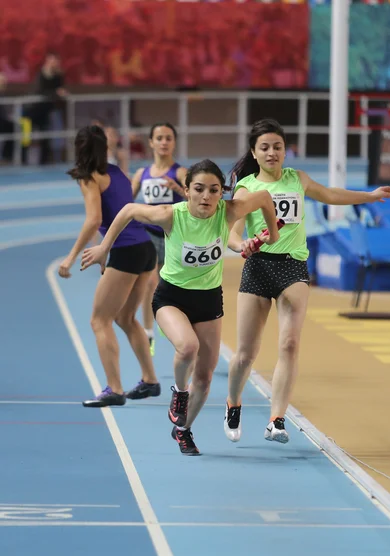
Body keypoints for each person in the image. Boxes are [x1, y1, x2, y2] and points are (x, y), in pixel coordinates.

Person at [80, 159, 279, 455]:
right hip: (171, 297)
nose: (206, 197)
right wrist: (103, 248)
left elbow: (264, 198)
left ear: (221, 193)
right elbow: (128, 210)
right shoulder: (171, 215)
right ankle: (179, 392)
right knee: (187, 347)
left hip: (209, 299)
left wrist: (264, 239)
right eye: (198, 189)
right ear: (186, 191)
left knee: (205, 376)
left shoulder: (229, 211)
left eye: (214, 190)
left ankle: (183, 429)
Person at [224, 118, 390, 444]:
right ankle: (233, 404)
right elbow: (232, 234)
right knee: (246, 353)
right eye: (265, 148)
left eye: (277, 146)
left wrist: (369, 196)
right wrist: (241, 245)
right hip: (258, 267)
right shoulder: (246, 187)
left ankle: (276, 419)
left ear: (285, 151)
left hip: (293, 268)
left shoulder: (297, 179)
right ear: (254, 153)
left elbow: (329, 194)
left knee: (290, 344)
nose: (272, 152)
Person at [58, 125, 161, 407]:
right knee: (126, 318)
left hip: (125, 251)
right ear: (104, 148)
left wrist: (70, 256)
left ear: (78, 149)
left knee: (99, 320)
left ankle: (114, 388)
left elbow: (94, 219)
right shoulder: (118, 173)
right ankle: (150, 380)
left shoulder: (89, 178)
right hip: (145, 249)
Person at [131, 123, 187, 356]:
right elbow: (127, 202)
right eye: (159, 138)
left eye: (168, 138)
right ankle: (148, 331)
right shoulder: (141, 174)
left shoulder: (181, 172)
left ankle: (170, 322)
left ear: (174, 143)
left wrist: (177, 188)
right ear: (151, 142)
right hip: (149, 235)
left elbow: (195, 200)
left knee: (170, 286)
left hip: (173, 235)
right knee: (150, 282)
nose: (164, 142)